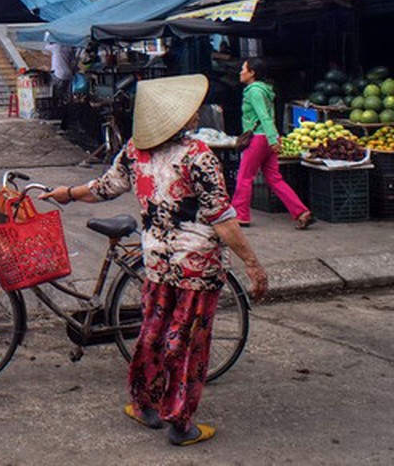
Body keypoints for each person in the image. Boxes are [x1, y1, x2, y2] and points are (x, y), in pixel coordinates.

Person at [41, 74, 267, 447]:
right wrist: (253, 264)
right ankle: (180, 423)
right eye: (191, 111)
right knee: (187, 343)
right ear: (181, 119)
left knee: (153, 332)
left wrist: (66, 193)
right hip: (196, 266)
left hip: (157, 262)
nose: (195, 116)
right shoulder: (199, 157)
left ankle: (143, 404)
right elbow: (223, 221)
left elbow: (102, 189)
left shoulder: (135, 150)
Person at [232, 57, 314, 229]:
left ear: (252, 73)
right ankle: (301, 212)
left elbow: (263, 116)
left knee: (244, 177)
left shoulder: (254, 91)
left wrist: (271, 140)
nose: (240, 72)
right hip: (269, 138)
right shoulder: (265, 90)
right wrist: (274, 139)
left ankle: (240, 215)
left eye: (243, 69)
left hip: (259, 139)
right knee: (274, 178)